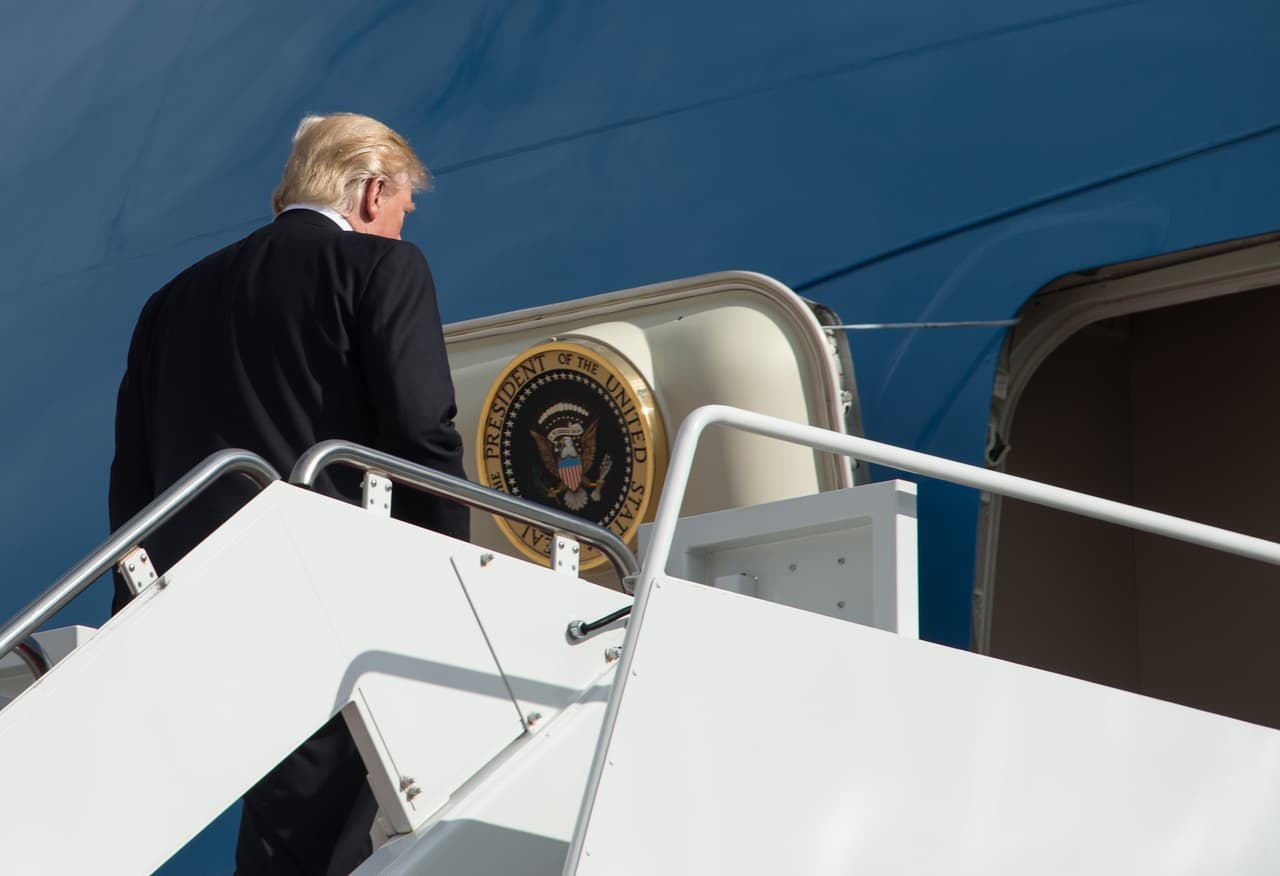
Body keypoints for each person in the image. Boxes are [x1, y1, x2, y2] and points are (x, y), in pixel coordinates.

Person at [108, 113, 470, 875]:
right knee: (334, 824)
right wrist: (457, 574)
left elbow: (133, 485)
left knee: (283, 821)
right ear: (372, 190)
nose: (402, 225)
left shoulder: (169, 303)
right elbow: (421, 433)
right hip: (334, 596)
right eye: (404, 206)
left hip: (200, 608)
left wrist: (135, 620)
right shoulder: (379, 269)